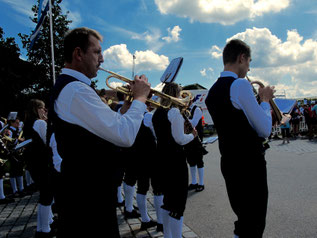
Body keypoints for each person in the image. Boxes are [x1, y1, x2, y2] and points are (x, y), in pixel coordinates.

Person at [48, 27, 151, 238]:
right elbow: (124, 136)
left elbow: (109, 127)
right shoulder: (76, 90)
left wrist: (127, 107)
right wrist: (141, 98)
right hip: (88, 199)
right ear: (78, 54)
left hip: (88, 194)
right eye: (97, 52)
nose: (102, 59)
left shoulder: (77, 88)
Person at [205, 39, 274, 238]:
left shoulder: (212, 92)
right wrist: (265, 101)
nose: (249, 68)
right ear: (241, 58)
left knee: (244, 220)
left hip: (229, 162)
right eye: (249, 62)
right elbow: (264, 129)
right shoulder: (240, 85)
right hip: (250, 164)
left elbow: (238, 124)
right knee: (255, 223)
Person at [152, 82, 196, 238]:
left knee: (167, 201)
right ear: (174, 95)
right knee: (177, 204)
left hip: (161, 159)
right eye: (179, 93)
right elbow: (180, 139)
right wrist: (192, 135)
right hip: (175, 161)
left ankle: (167, 236)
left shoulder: (156, 113)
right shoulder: (174, 112)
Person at [23, 99, 57, 238]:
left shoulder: (28, 123)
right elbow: (48, 141)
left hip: (34, 162)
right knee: (47, 194)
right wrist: (49, 122)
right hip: (42, 162)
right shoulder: (39, 123)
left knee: (45, 193)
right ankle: (43, 230)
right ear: (36, 109)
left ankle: (48, 222)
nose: (45, 111)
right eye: (42, 108)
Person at [185, 99, 206, 192]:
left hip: (196, 138)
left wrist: (183, 119)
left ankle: (201, 183)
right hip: (188, 138)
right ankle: (193, 182)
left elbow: (193, 123)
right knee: (191, 161)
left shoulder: (196, 109)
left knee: (199, 161)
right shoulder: (184, 110)